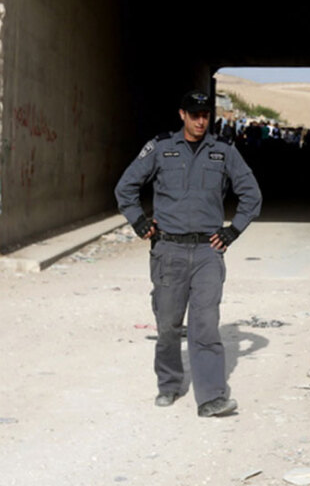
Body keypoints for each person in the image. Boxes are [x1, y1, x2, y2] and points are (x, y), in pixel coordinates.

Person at [115, 90, 263, 417]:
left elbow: (252, 195)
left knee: (206, 324)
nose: (200, 121)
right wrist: (139, 222)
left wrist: (233, 230)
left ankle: (211, 397)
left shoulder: (223, 152)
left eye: (205, 115)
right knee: (168, 324)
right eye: (194, 114)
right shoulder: (161, 148)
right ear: (182, 114)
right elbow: (125, 187)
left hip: (208, 252)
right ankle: (169, 384)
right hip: (168, 250)